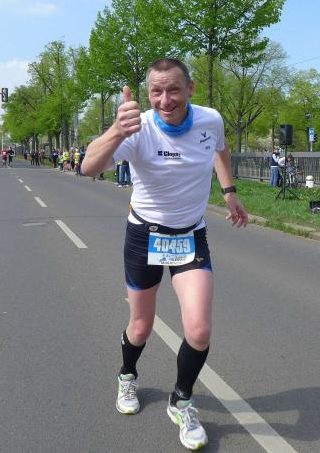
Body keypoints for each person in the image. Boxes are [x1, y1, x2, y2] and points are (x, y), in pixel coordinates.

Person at [82, 58, 248, 451]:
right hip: (145, 236)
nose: (165, 99)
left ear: (190, 89)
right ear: (147, 94)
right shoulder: (137, 129)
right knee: (141, 327)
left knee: (199, 330)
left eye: (173, 89)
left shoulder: (210, 119)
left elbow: (220, 149)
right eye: (156, 91)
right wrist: (116, 130)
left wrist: (229, 191)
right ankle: (127, 376)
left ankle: (182, 401)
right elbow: (89, 167)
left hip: (190, 236)